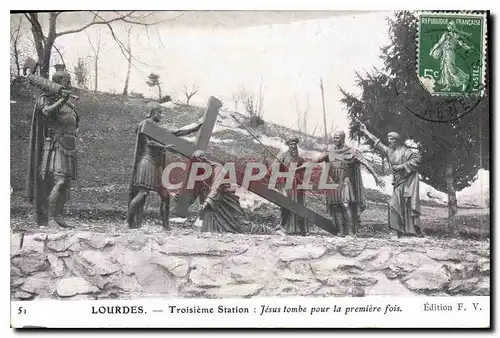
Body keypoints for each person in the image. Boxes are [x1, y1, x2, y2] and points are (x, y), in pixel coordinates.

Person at [127, 101, 203, 229]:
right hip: (147, 162)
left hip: (157, 165)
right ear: (152, 112)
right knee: (143, 193)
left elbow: (176, 132)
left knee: (165, 196)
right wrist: (165, 147)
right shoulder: (145, 124)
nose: (162, 115)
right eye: (159, 112)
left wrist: (196, 127)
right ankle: (129, 222)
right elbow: (149, 142)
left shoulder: (157, 128)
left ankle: (166, 226)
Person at [171, 149, 275, 235]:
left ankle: (267, 230)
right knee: (210, 228)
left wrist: (207, 201)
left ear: (204, 160)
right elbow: (194, 188)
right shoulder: (199, 172)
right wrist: (181, 198)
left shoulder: (218, 168)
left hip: (226, 201)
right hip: (213, 204)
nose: (198, 164)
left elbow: (217, 186)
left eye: (200, 161)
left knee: (242, 227)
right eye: (196, 162)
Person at [26, 64, 79, 228]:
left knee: (66, 184)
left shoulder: (69, 102)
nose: (69, 83)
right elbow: (47, 112)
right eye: (66, 80)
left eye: (70, 80)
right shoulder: (45, 97)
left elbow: (74, 121)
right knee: (59, 181)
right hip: (55, 145)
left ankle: (58, 217)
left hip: (69, 146)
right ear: (57, 81)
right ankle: (49, 218)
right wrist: (61, 100)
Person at [306, 130, 385, 236]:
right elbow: (316, 160)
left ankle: (351, 231)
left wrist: (376, 177)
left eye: (337, 137)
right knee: (336, 206)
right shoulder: (329, 152)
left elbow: (365, 163)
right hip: (333, 183)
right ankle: (341, 231)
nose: (335, 139)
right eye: (334, 137)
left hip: (345, 182)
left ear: (343, 139)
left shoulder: (351, 151)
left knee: (345, 204)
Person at [359, 122, 423, 238]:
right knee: (394, 206)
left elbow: (417, 160)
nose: (389, 142)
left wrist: (401, 166)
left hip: (407, 183)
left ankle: (410, 231)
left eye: (391, 139)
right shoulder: (390, 151)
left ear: (397, 140)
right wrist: (365, 131)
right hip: (398, 183)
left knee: (406, 207)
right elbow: (377, 142)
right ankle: (400, 231)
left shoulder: (406, 151)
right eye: (388, 139)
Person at [272, 137, 307, 236]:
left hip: (297, 185)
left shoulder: (300, 158)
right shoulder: (282, 156)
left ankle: (300, 229)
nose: (293, 146)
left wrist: (301, 171)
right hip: (286, 183)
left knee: (299, 206)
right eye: (291, 144)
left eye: (294, 144)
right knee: (286, 205)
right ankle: (283, 226)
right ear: (288, 145)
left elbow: (304, 169)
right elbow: (276, 168)